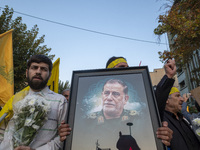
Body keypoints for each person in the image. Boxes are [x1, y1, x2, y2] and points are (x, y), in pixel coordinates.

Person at [59, 56, 173, 146]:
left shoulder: (140, 119)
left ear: (126, 98)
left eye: (116, 94)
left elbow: (155, 108)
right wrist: (68, 134)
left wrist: (158, 133)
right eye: (106, 93)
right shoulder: (86, 121)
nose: (109, 97)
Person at [0, 55, 70, 150]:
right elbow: (2, 131)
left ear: (49, 75)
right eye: (34, 68)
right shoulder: (15, 99)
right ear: (27, 72)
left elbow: (63, 138)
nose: (38, 71)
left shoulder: (60, 101)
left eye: (44, 69)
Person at [156, 59, 200, 150]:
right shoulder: (161, 119)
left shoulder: (182, 119)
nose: (181, 99)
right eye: (177, 96)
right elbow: (158, 99)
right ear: (166, 100)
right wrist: (169, 76)